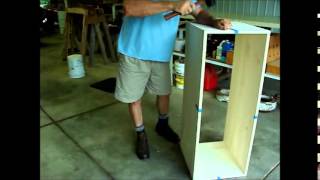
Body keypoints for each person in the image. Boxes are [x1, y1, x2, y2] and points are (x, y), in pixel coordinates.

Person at [114, 0, 231, 160]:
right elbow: (130, 7)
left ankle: (162, 125)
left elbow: (198, 11)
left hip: (161, 52)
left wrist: (213, 21)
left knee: (164, 93)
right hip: (134, 50)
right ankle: (140, 133)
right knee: (134, 98)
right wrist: (171, 5)